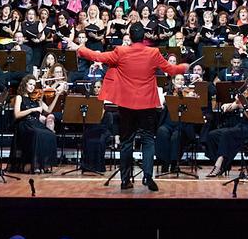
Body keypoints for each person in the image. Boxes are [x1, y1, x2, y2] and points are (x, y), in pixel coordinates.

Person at [66, 21, 187, 191]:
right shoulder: (153, 52)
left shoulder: (120, 51)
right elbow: (171, 70)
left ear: (130, 36)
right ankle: (147, 177)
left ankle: (125, 180)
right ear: (144, 37)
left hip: (127, 105)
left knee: (126, 142)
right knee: (147, 140)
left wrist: (79, 48)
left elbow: (97, 57)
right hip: (147, 105)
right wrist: (184, 67)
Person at [206, 74, 248, 177]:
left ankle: (218, 165)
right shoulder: (245, 94)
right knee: (212, 135)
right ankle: (224, 164)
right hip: (241, 126)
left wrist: (240, 105)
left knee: (227, 134)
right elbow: (234, 105)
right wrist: (227, 106)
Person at [12, 76, 59, 173]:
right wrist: (32, 110)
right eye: (30, 84)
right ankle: (35, 164)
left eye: (33, 85)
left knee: (50, 134)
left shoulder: (35, 98)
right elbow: (17, 115)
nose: (32, 87)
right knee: (37, 134)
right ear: (25, 84)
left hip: (35, 124)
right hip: (24, 124)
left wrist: (57, 95)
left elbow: (49, 110)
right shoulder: (19, 97)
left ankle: (44, 163)